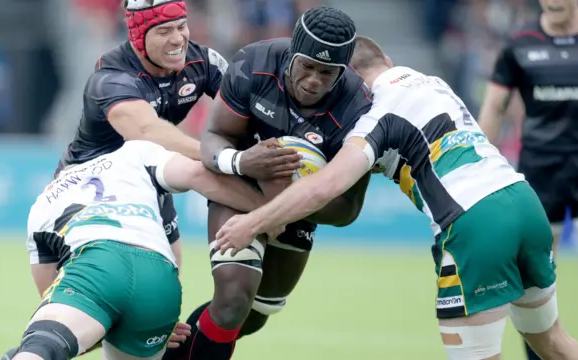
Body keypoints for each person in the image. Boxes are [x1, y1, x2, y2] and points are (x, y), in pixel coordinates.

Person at [214, 36, 578, 360]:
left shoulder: (375, 116)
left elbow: (324, 188)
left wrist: (254, 222)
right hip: (524, 202)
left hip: (475, 222)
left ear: (347, 82)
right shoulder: (433, 84)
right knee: (552, 342)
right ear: (387, 60)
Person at [163, 6, 373, 360]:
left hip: (304, 211)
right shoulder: (253, 63)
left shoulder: (360, 108)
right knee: (233, 299)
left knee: (254, 315)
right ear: (292, 54)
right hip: (240, 187)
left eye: (328, 72)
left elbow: (348, 208)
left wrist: (294, 199)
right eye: (307, 66)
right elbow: (215, 136)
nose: (314, 81)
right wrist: (244, 161)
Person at [34, 0, 236, 297]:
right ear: (139, 38)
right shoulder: (111, 76)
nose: (178, 39)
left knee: (164, 299)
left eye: (181, 27)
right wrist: (226, 158)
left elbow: (245, 109)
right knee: (69, 305)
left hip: (147, 181)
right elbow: (148, 132)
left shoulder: (204, 62)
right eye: (165, 30)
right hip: (85, 189)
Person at [4, 140, 274, 360]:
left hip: (96, 266)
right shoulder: (134, 151)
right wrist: (270, 213)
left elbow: (49, 290)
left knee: (43, 344)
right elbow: (197, 175)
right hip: (159, 281)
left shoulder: (44, 200)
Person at [478, 1, 578, 357]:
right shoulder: (519, 46)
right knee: (536, 275)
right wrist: (479, 171)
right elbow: (494, 107)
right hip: (543, 173)